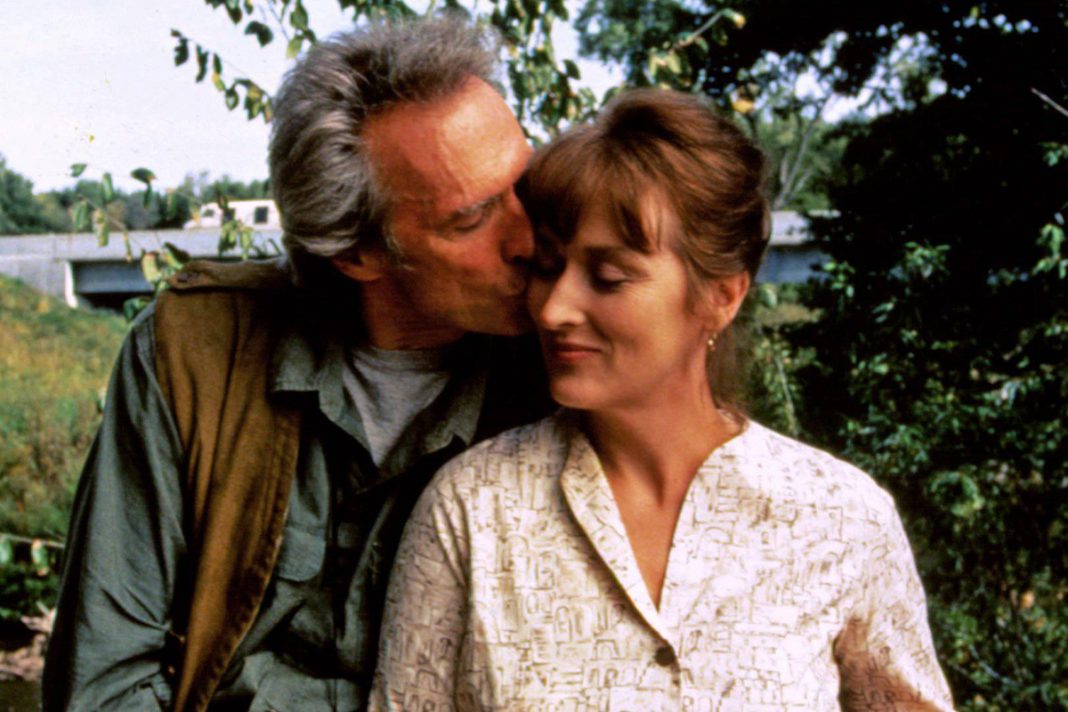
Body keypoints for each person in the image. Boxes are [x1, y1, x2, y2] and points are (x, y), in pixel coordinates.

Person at [370, 89, 955, 710]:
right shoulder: (472, 511)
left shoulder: (840, 517)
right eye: (547, 266)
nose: (554, 308)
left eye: (609, 278)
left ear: (722, 297)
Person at [43, 16, 551, 712]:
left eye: (524, 184)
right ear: (356, 254)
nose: (529, 239)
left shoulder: (567, 375)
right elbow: (102, 683)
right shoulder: (194, 351)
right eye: (472, 218)